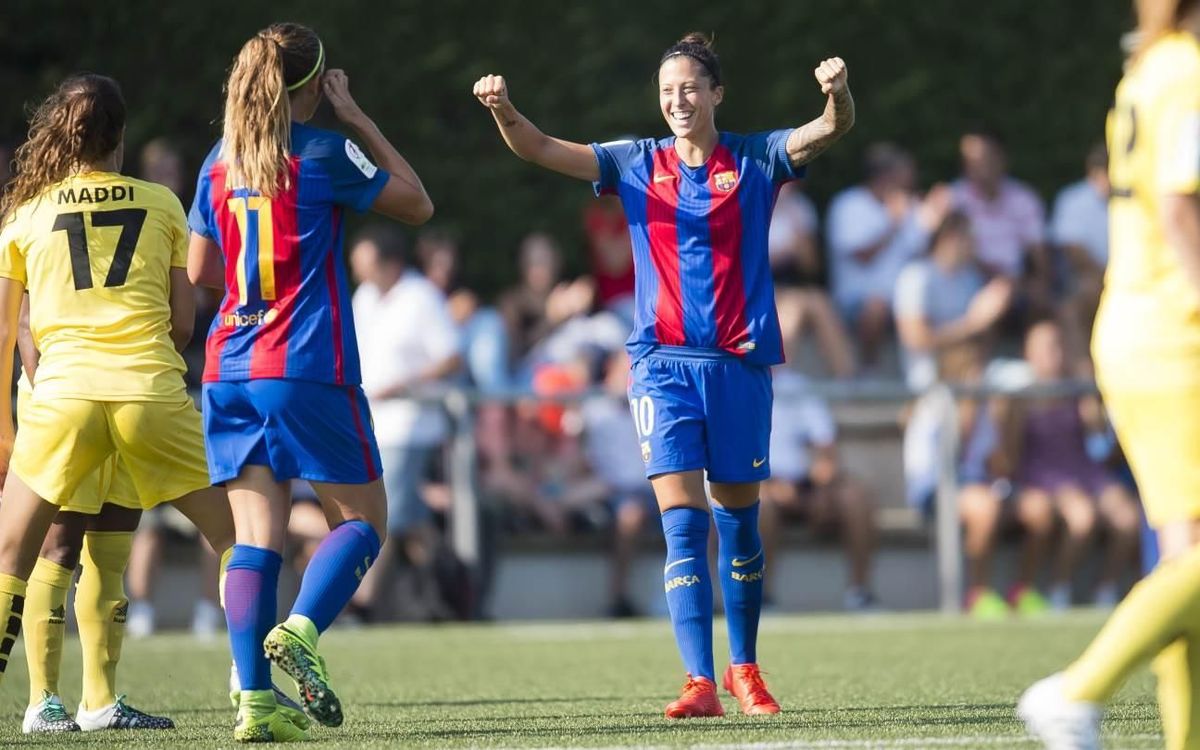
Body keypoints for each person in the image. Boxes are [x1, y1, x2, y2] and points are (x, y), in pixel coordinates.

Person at [474, 32, 855, 718]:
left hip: (739, 367)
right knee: (682, 526)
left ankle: (745, 670)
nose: (676, 100)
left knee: (738, 525)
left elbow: (829, 130)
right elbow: (538, 147)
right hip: (660, 369)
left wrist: (837, 94)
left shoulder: (757, 156)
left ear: (715, 94)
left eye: (688, 88)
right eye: (666, 91)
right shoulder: (632, 161)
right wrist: (503, 109)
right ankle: (698, 681)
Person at [187, 22, 432, 742]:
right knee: (364, 523)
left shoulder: (216, 162)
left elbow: (202, 272)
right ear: (317, 85)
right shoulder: (324, 150)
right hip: (305, 366)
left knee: (254, 539)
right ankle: (300, 630)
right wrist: (357, 116)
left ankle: (255, 707)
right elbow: (416, 203)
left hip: (229, 366)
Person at [0, 74, 245, 732]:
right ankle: (249, 678)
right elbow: (184, 325)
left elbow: (6, 331)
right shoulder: (162, 202)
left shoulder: (25, 214)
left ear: (59, 134)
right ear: (122, 137)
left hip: (62, 400)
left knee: (28, 553)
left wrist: (3, 427)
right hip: (145, 393)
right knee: (236, 538)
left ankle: (56, 704)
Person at [1019, 3, 1200, 747]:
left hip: (1140, 332)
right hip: (1177, 337)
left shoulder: (1150, 71)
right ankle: (1077, 691)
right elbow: (1181, 210)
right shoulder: (1186, 73)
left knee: (1187, 563)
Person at [347, 224, 462, 621]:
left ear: (390, 263)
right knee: (412, 523)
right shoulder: (364, 297)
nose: (360, 274)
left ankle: (361, 605)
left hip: (411, 425)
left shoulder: (421, 297)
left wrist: (404, 384)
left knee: (383, 514)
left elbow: (451, 357)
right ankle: (454, 590)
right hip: (372, 425)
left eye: (366, 266)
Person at [992, 320, 1140, 611]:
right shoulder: (1020, 398)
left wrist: (1090, 399)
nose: (1054, 355)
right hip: (1043, 475)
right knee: (1082, 517)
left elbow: (1097, 436)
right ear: (1029, 353)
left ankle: (1106, 590)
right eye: (1045, 348)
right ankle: (1059, 589)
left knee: (1129, 520)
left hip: (1084, 471)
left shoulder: (1076, 388)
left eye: (1057, 346)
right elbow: (1008, 455)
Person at [760, 368, 878, 610]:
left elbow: (826, 448)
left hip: (806, 483)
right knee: (760, 505)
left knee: (855, 496)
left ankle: (860, 593)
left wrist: (822, 486)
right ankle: (761, 598)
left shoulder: (797, 385)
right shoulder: (730, 383)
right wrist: (768, 485)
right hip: (757, 483)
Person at [826, 143, 951, 371]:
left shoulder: (911, 207)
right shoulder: (848, 204)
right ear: (884, 176)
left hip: (904, 298)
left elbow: (924, 256)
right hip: (857, 300)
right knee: (876, 307)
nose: (911, 180)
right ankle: (868, 371)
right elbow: (862, 256)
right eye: (905, 174)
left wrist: (937, 225)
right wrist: (893, 224)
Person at [893, 211, 1013, 391]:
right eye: (971, 237)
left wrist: (994, 314)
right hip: (930, 379)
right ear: (951, 237)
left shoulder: (970, 278)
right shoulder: (915, 276)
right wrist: (973, 324)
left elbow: (980, 337)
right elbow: (915, 339)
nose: (976, 245)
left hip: (973, 371)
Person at [953, 128, 1051, 313]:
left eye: (982, 158)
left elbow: (1040, 253)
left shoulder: (1024, 199)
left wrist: (1041, 283)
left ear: (1001, 158)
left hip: (1017, 286)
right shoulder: (953, 200)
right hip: (966, 283)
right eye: (969, 160)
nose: (975, 166)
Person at [769, 182, 855, 378]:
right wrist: (783, 253)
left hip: (789, 285)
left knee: (818, 302)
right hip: (757, 287)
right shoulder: (748, 202)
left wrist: (799, 232)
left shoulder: (800, 206)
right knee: (793, 309)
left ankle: (847, 380)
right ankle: (776, 377)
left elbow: (811, 266)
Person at [1049, 144, 1110, 364]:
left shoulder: (1135, 198)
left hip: (1126, 285)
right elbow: (1073, 251)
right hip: (1086, 283)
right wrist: (1109, 279)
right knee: (1073, 307)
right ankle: (1084, 382)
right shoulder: (1072, 200)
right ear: (1094, 173)